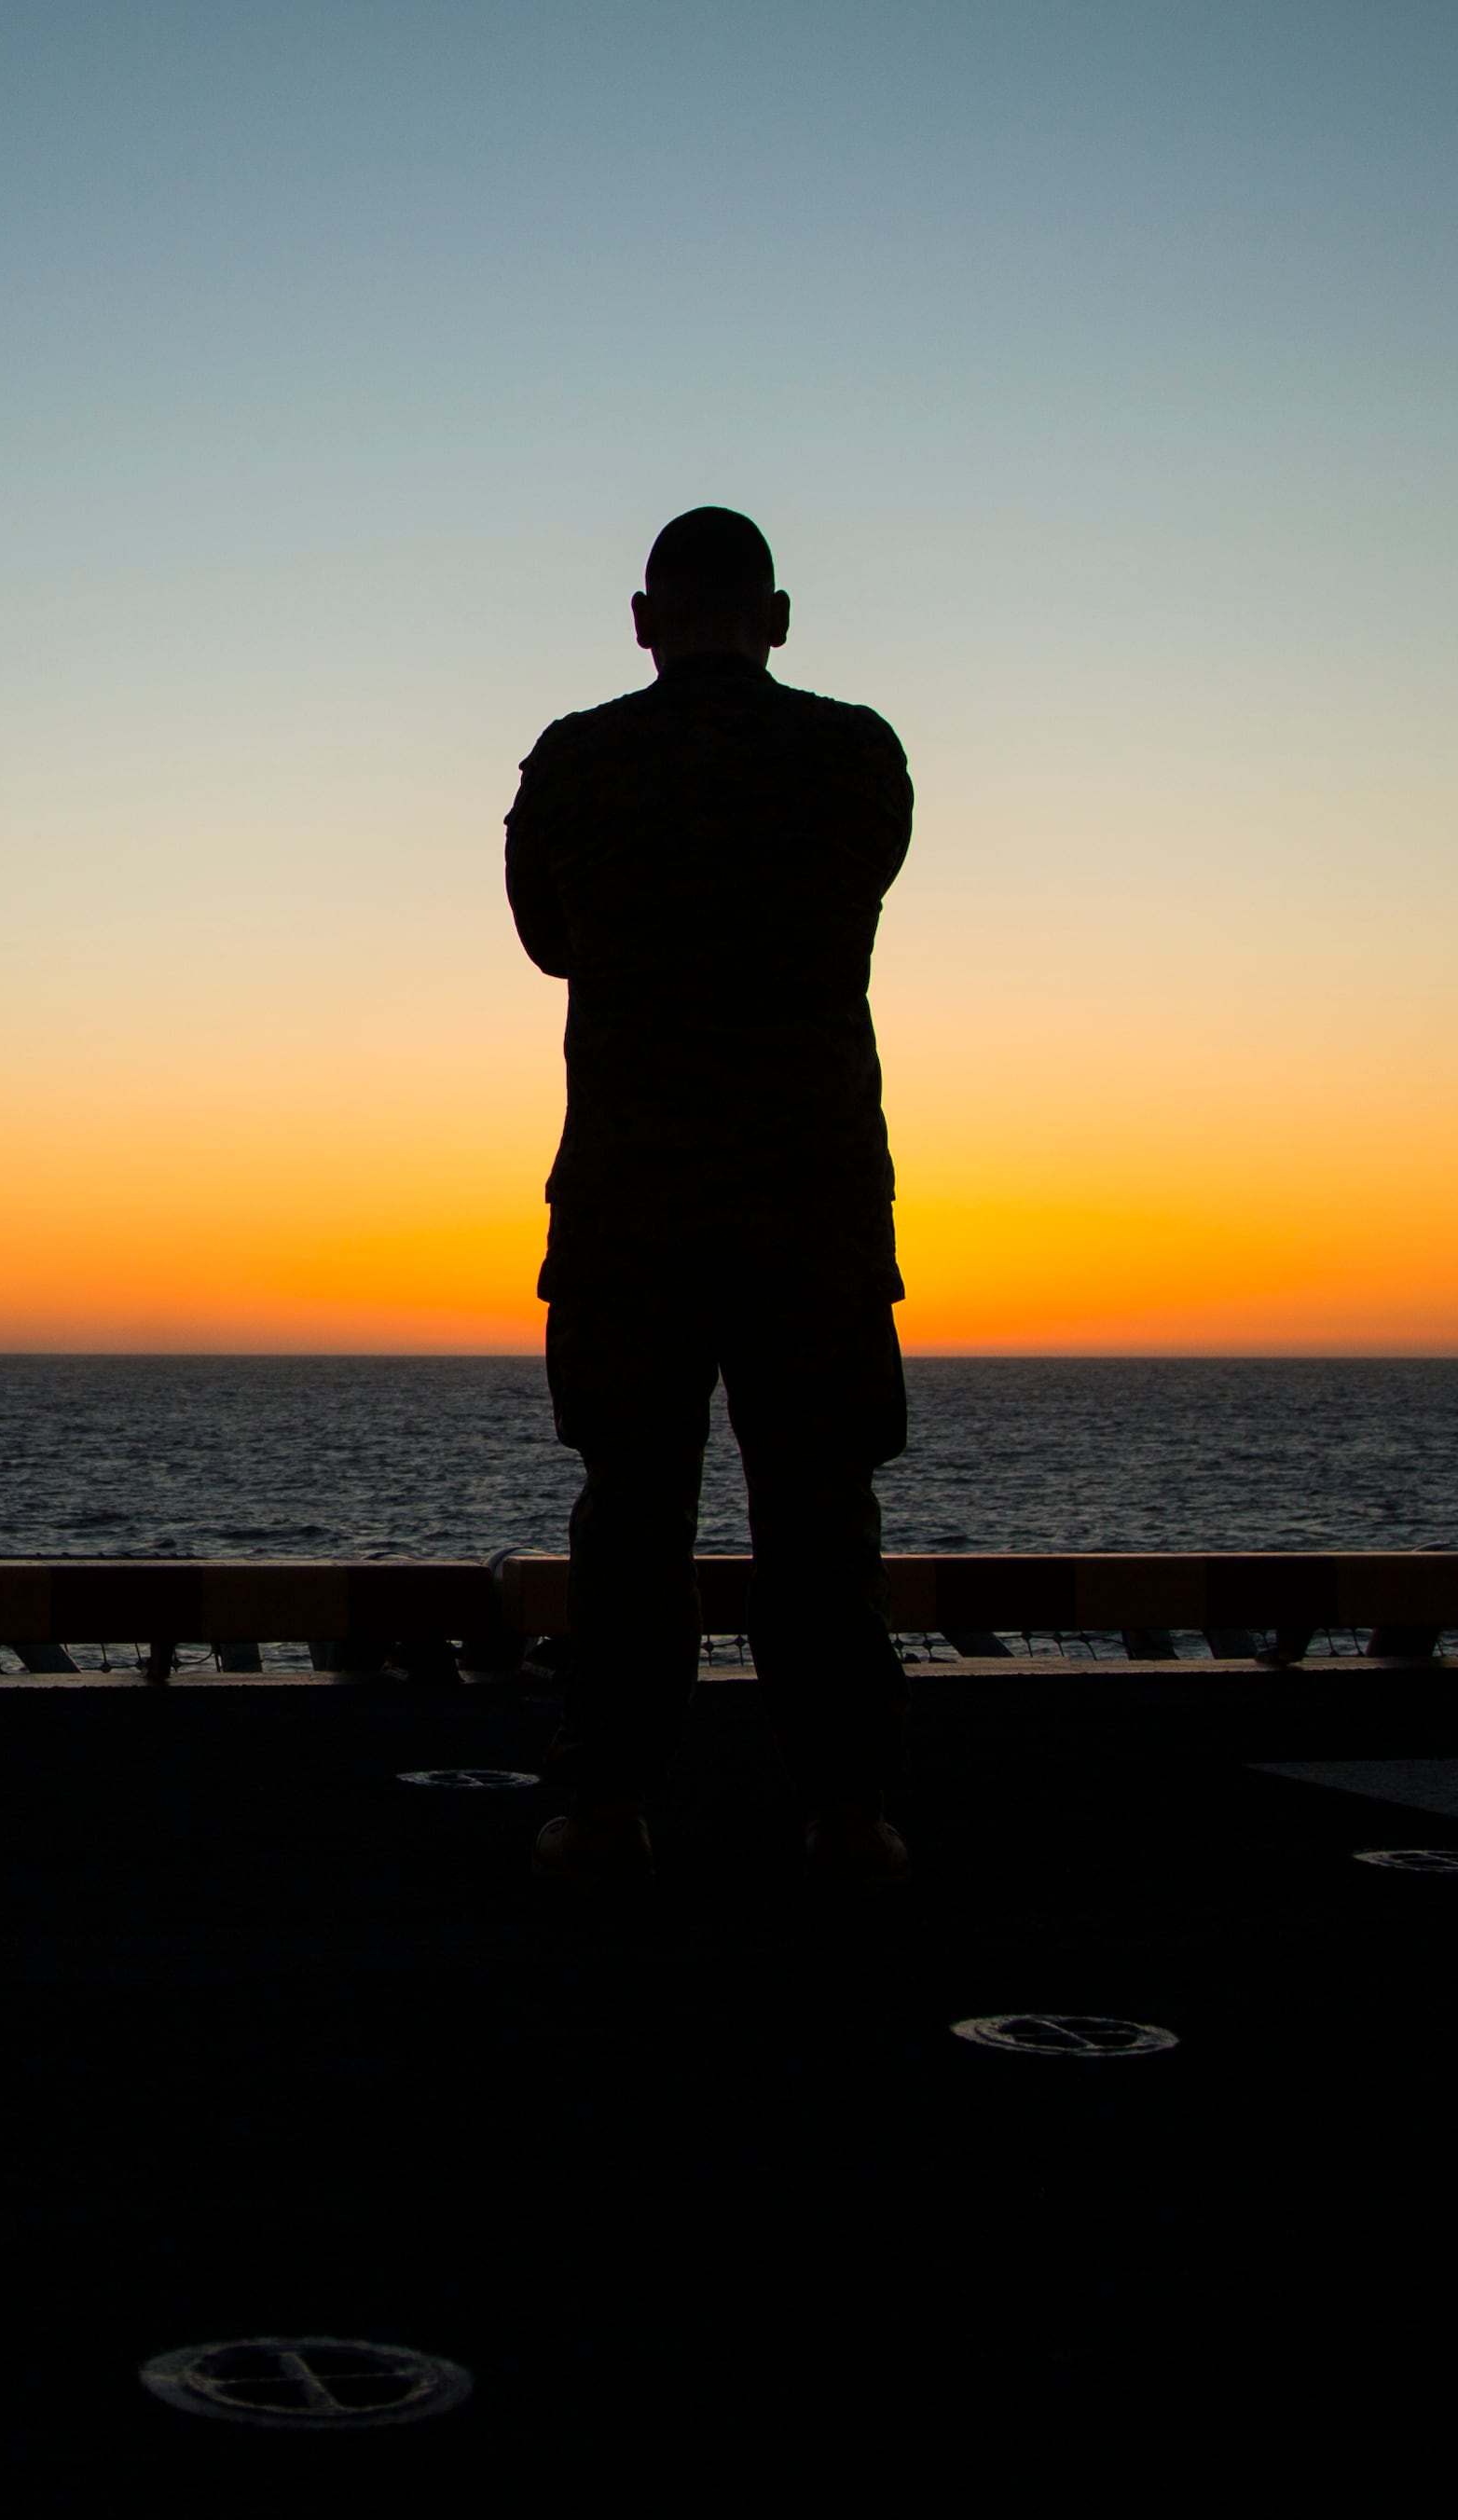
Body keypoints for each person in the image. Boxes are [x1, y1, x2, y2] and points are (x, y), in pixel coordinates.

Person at [506, 506, 915, 1893]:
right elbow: (859, 886)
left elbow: (550, 942)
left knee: (630, 1519)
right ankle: (848, 1810)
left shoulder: (575, 764)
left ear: (641, 620)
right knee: (820, 1517)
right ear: (779, 616)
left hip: (632, 1207)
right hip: (815, 1203)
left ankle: (611, 1803)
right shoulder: (855, 756)